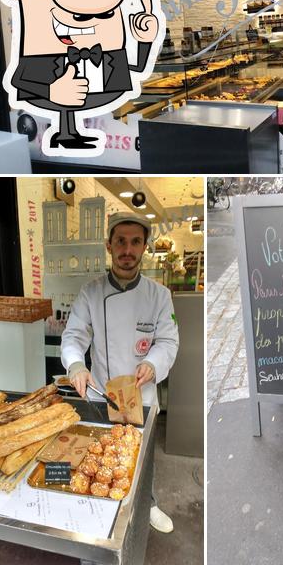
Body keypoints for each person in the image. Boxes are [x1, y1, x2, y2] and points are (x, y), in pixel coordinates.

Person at [61, 211, 179, 533]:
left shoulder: (159, 295)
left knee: (142, 460)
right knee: (101, 459)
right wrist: (76, 365)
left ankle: (149, 504)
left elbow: (168, 340)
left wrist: (152, 363)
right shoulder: (91, 293)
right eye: (121, 242)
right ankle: (101, 511)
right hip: (102, 396)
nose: (128, 250)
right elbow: (74, 336)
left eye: (136, 242)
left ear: (144, 247)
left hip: (142, 394)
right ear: (109, 246)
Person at [0, 0, 164, 154]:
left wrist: (145, 41)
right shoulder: (41, 57)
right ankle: (66, 134)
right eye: (79, 16)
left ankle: (69, 133)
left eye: (106, 15)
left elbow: (139, 68)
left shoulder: (109, 54)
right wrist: (51, 91)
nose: (91, 23)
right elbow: (19, 80)